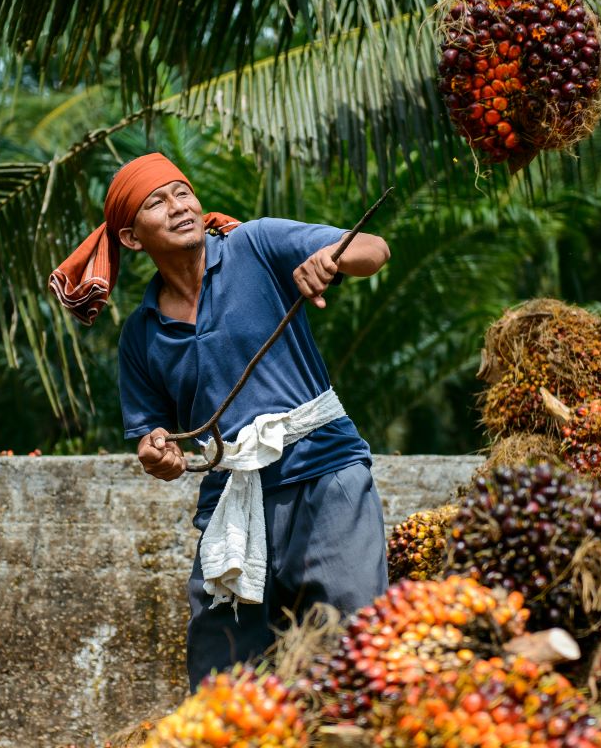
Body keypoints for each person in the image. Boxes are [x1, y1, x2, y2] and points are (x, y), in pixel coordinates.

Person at [48, 153, 391, 691]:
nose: (178, 207)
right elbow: (150, 438)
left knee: (360, 648)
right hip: (231, 504)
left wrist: (331, 259)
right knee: (220, 681)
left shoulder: (257, 243)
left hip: (325, 476)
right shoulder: (141, 335)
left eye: (182, 192)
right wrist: (157, 454)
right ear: (133, 239)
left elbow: (374, 248)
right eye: (156, 203)